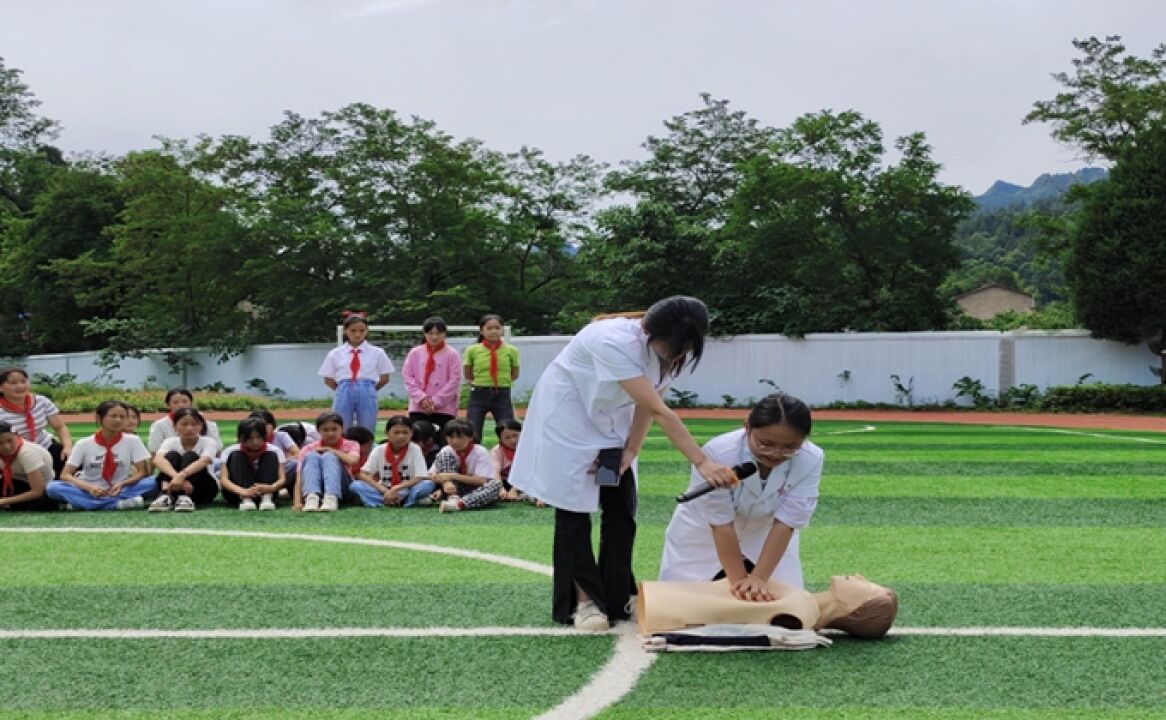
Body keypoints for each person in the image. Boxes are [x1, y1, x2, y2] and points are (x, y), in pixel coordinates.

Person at [509, 296, 737, 632]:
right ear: (649, 331)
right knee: (575, 512)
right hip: (568, 420)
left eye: (684, 348)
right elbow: (661, 411)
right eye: (671, 346)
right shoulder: (611, 340)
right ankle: (585, 601)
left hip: (613, 420)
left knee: (621, 510)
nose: (675, 354)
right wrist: (702, 462)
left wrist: (631, 450)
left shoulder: (670, 351)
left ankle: (617, 595)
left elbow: (649, 404)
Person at [660, 393, 822, 597]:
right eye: (765, 443)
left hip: (766, 534)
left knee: (788, 605)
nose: (776, 454)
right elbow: (721, 523)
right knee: (679, 604)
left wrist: (759, 578)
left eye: (790, 447)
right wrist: (739, 583)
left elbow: (787, 522)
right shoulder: (719, 452)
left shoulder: (810, 459)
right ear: (747, 427)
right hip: (703, 533)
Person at [636, 574, 899, 640]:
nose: (860, 576)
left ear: (854, 607)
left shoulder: (799, 610)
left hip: (667, 607)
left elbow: (734, 611)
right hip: (670, 601)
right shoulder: (802, 604)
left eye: (868, 586)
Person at [46, 400, 154, 511]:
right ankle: (116, 504)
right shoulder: (84, 443)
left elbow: (142, 472)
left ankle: (85, 504)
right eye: (113, 416)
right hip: (88, 489)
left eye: (122, 417)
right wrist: (90, 488)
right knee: (52, 487)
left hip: (120, 489)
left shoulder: (133, 441)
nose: (118, 420)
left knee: (153, 482)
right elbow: (66, 475)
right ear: (99, 418)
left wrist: (122, 484)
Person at [319, 312, 392, 432]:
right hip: (343, 388)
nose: (357, 334)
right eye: (353, 330)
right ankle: (343, 448)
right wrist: (341, 389)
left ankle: (366, 448)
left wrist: (370, 389)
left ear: (367, 331)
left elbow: (385, 377)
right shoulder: (335, 353)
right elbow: (328, 379)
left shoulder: (377, 352)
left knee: (367, 424)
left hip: (367, 388)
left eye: (362, 330)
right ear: (345, 331)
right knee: (341, 423)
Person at [0, 366, 73, 479]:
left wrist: (67, 447)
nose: (20, 386)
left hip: (46, 446)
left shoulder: (41, 401)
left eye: (23, 381)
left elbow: (60, 427)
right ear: (1, 388)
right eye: (13, 383)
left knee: (74, 466)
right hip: (16, 455)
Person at [351, 416, 436, 508]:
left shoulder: (415, 449)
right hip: (384, 489)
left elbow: (420, 476)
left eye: (405, 432)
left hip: (407, 488)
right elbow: (362, 473)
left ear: (411, 433)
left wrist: (396, 488)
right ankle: (397, 501)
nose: (401, 436)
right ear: (387, 433)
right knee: (355, 485)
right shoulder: (379, 450)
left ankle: (401, 500)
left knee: (428, 484)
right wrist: (384, 490)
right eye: (396, 432)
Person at [401, 316, 462, 442]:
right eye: (430, 333)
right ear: (424, 334)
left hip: (445, 407)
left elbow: (454, 380)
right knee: (417, 440)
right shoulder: (415, 353)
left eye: (438, 333)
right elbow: (408, 377)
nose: (434, 337)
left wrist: (436, 400)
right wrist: (422, 398)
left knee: (443, 441)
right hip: (419, 406)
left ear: (444, 334)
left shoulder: (452, 354)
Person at [148, 408, 219, 512]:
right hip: (174, 485)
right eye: (184, 424)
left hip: (203, 488)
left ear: (201, 426)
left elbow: (204, 461)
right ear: (175, 426)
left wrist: (181, 476)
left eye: (194, 424)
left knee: (190, 455)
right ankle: (167, 497)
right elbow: (157, 460)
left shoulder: (209, 442)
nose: (189, 428)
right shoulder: (170, 442)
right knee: (172, 455)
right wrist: (177, 477)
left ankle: (184, 498)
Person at [463, 314, 520, 442]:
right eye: (489, 328)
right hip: (478, 393)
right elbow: (468, 373)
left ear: (502, 330)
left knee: (508, 429)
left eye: (497, 327)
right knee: (473, 429)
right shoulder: (472, 350)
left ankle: (507, 459)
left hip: (502, 394)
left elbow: (514, 373)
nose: (494, 331)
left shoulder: (511, 350)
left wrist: (501, 382)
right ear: (482, 331)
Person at [294, 412, 359, 513]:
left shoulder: (352, 444)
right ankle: (312, 498)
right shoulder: (308, 448)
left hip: (344, 488)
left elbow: (353, 460)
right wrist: (297, 502)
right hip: (319, 486)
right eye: (325, 430)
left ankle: (331, 498)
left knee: (329, 456)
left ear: (342, 429)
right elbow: (299, 476)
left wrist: (330, 450)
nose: (330, 433)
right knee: (312, 455)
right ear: (318, 430)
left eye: (334, 429)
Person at [220, 417, 286, 511]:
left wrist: (270, 488)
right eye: (250, 438)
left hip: (268, 491)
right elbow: (224, 480)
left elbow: (282, 479)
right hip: (237, 493)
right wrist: (242, 491)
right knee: (236, 455)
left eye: (258, 437)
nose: (255, 442)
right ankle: (246, 500)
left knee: (270, 455)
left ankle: (266, 498)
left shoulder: (275, 450)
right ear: (241, 437)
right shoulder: (230, 451)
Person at [431, 419, 496, 513]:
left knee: (495, 485)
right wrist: (445, 482)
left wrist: (451, 475)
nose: (455, 441)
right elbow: (431, 475)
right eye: (451, 437)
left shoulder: (480, 451)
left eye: (460, 437)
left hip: (474, 490)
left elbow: (481, 480)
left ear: (471, 437)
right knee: (445, 455)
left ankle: (459, 504)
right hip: (452, 489)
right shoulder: (446, 450)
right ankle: (452, 498)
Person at [0, 420, 58, 511]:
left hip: (42, 489)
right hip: (17, 481)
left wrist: (4, 501)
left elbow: (38, 491)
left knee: (43, 504)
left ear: (16, 436)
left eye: (9, 440)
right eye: (0, 443)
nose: (6, 446)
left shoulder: (27, 454)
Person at [147, 388, 223, 454]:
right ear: (168, 405)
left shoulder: (207, 424)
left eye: (184, 401)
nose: (181, 405)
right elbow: (155, 452)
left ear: (191, 403)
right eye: (175, 402)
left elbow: (217, 450)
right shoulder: (159, 425)